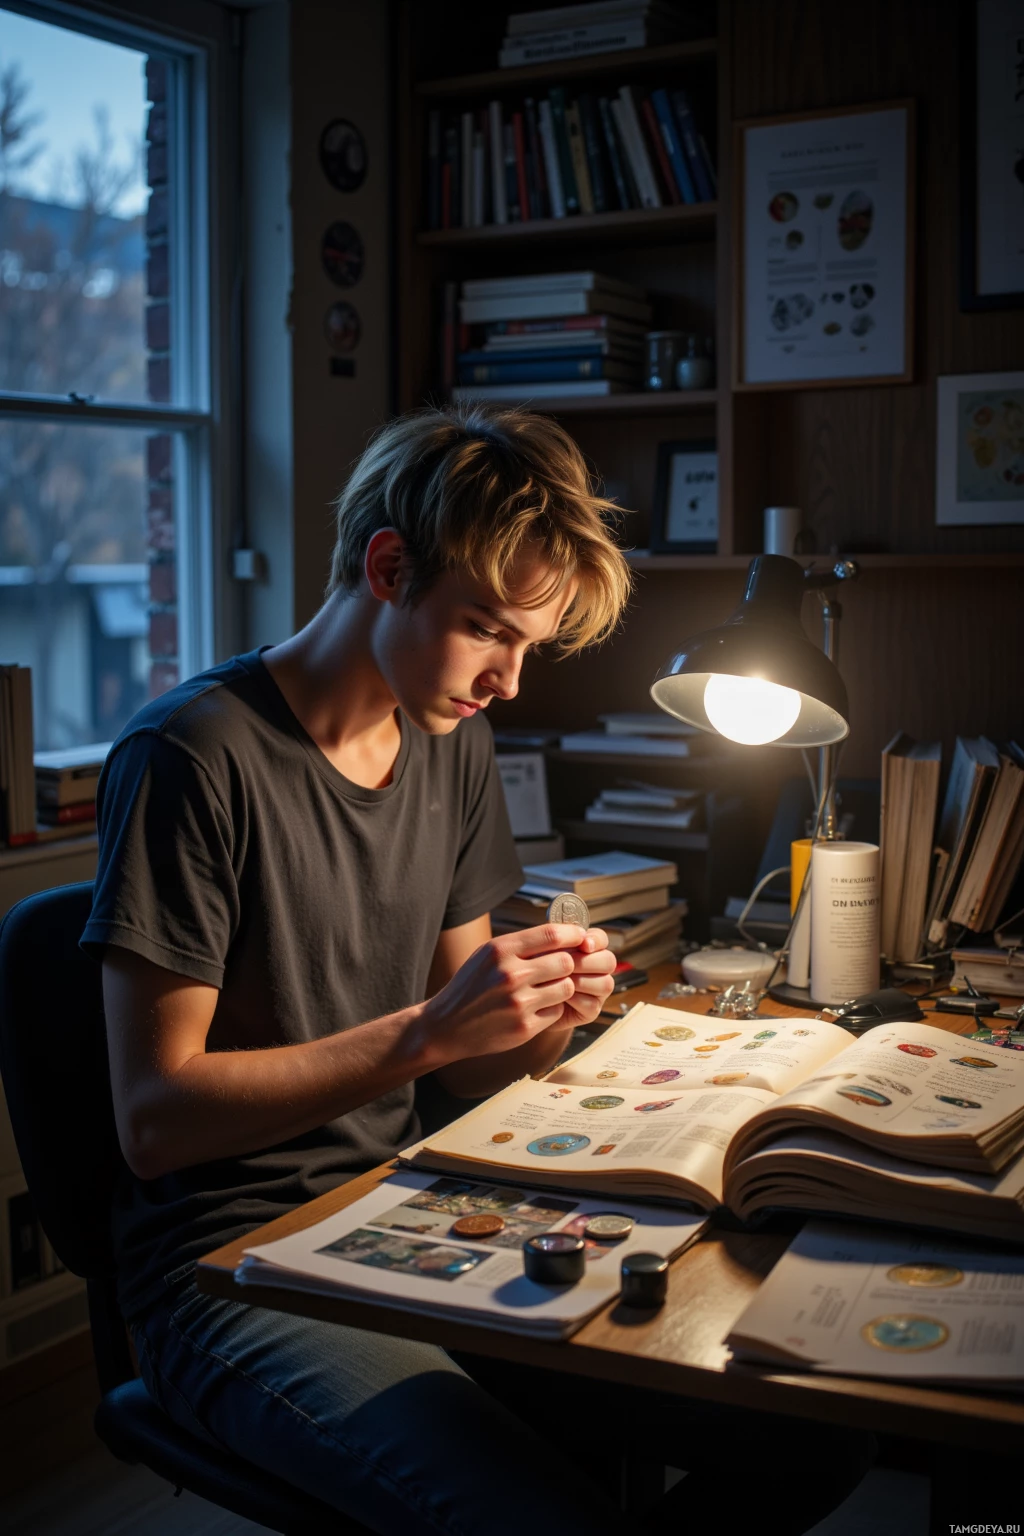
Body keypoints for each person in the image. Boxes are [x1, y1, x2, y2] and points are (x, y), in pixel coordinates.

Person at [84, 406, 873, 1535]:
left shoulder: (449, 741)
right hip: (228, 1268)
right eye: (486, 631)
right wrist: (428, 1033)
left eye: (529, 648)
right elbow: (154, 1121)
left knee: (817, 1438)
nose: (507, 681)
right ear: (388, 567)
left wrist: (547, 1004)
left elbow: (469, 1069)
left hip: (410, 1208)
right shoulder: (192, 759)